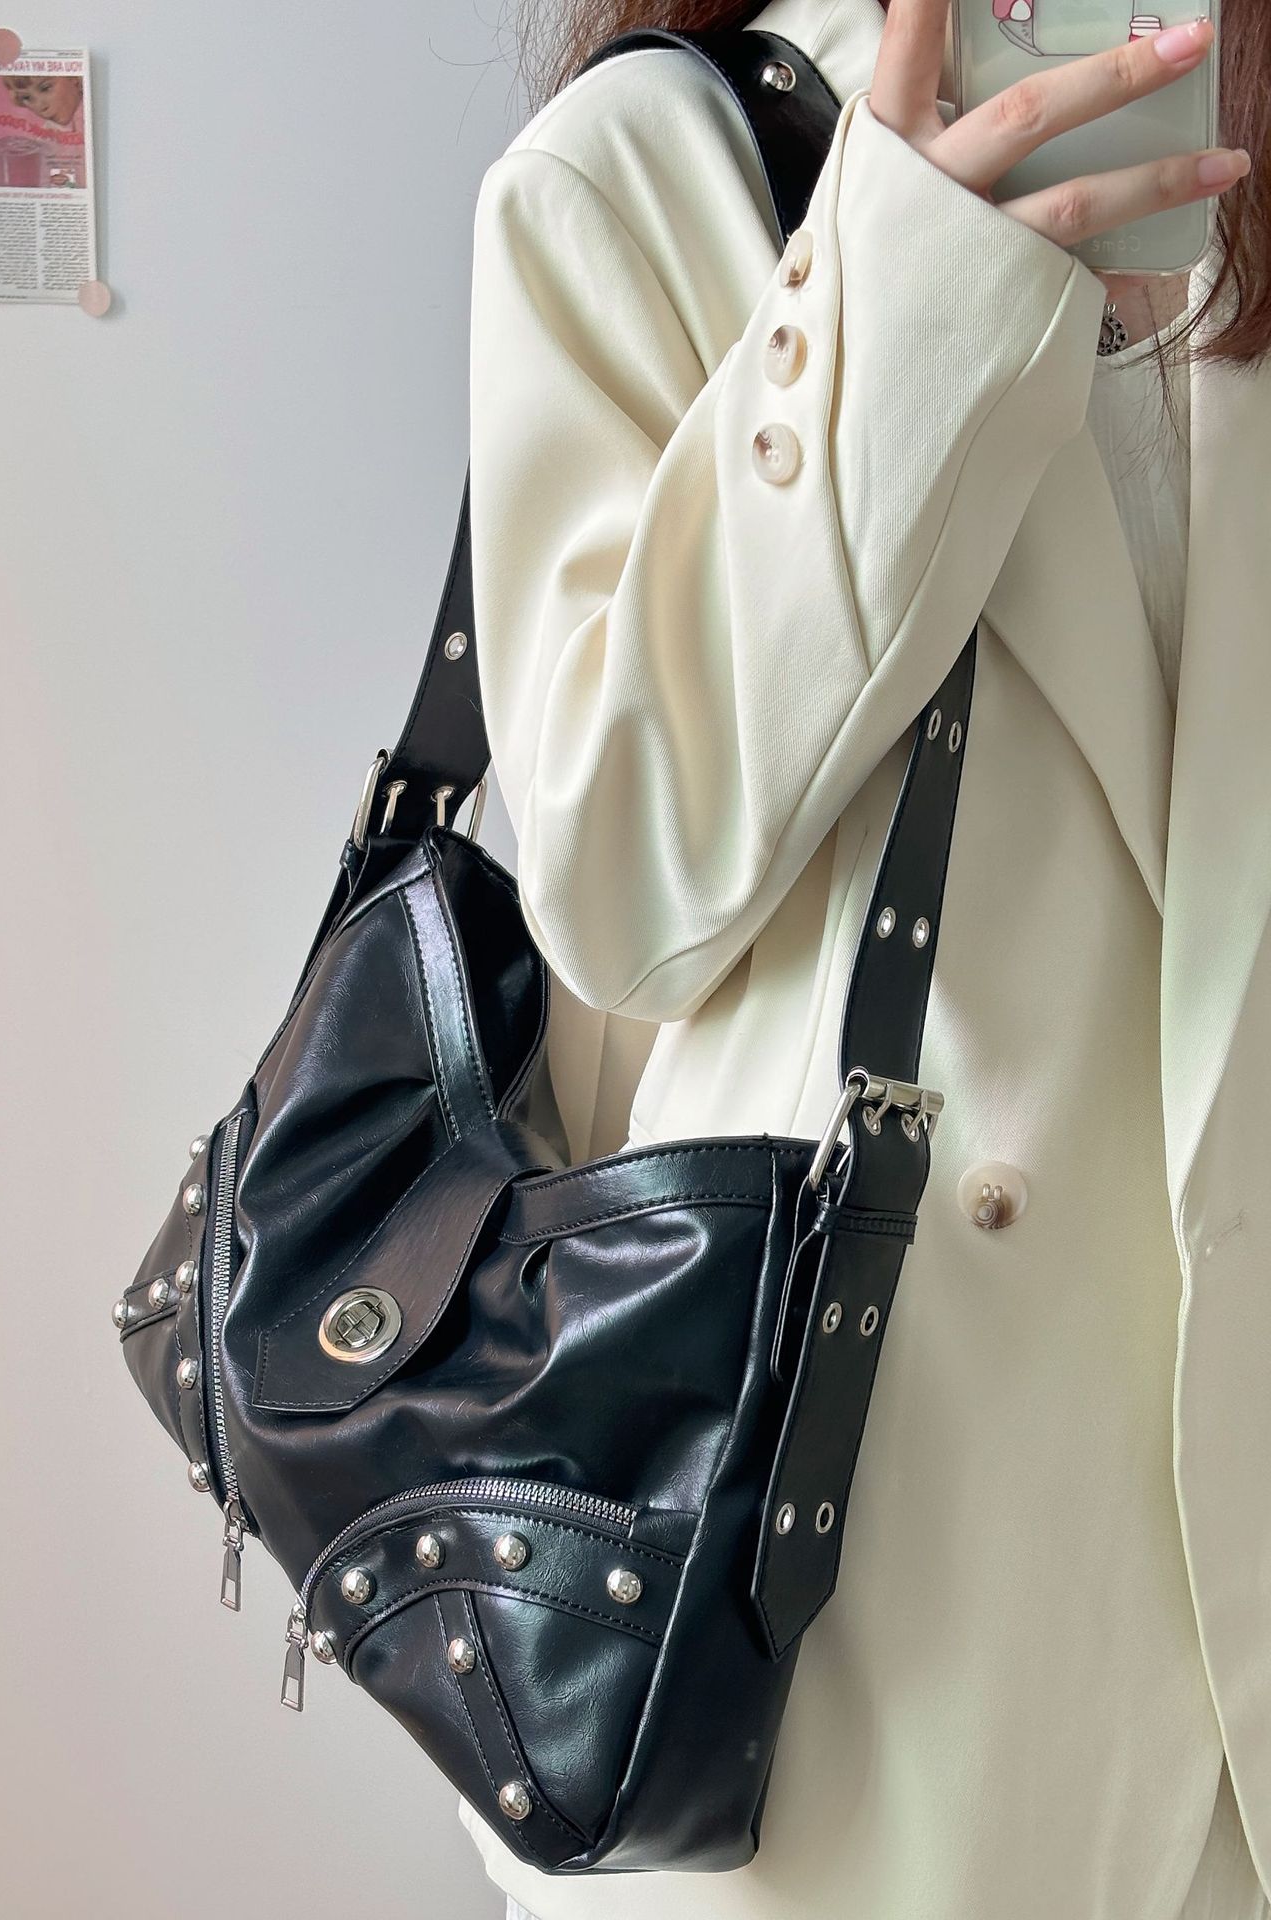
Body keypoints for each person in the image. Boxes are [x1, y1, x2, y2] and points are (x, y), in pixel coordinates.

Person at [458, 0, 1271, 1916]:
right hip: (864, 1640)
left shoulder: (1242, 163)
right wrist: (902, 293)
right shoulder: (649, 169)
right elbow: (622, 889)